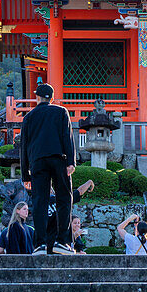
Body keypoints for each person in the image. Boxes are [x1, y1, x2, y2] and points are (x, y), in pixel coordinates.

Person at [19, 82, 76, 256]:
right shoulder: (61, 112)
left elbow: (24, 146)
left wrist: (25, 175)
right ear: (52, 98)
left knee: (39, 202)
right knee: (64, 199)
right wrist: (71, 161)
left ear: (37, 97)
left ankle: (40, 244)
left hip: (37, 161)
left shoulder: (30, 116)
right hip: (59, 158)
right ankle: (62, 241)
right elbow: (68, 137)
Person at [34, 178, 94, 255]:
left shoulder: (37, 204)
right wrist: (89, 182)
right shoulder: (60, 200)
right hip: (60, 244)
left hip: (43, 245)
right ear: (52, 191)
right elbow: (79, 192)